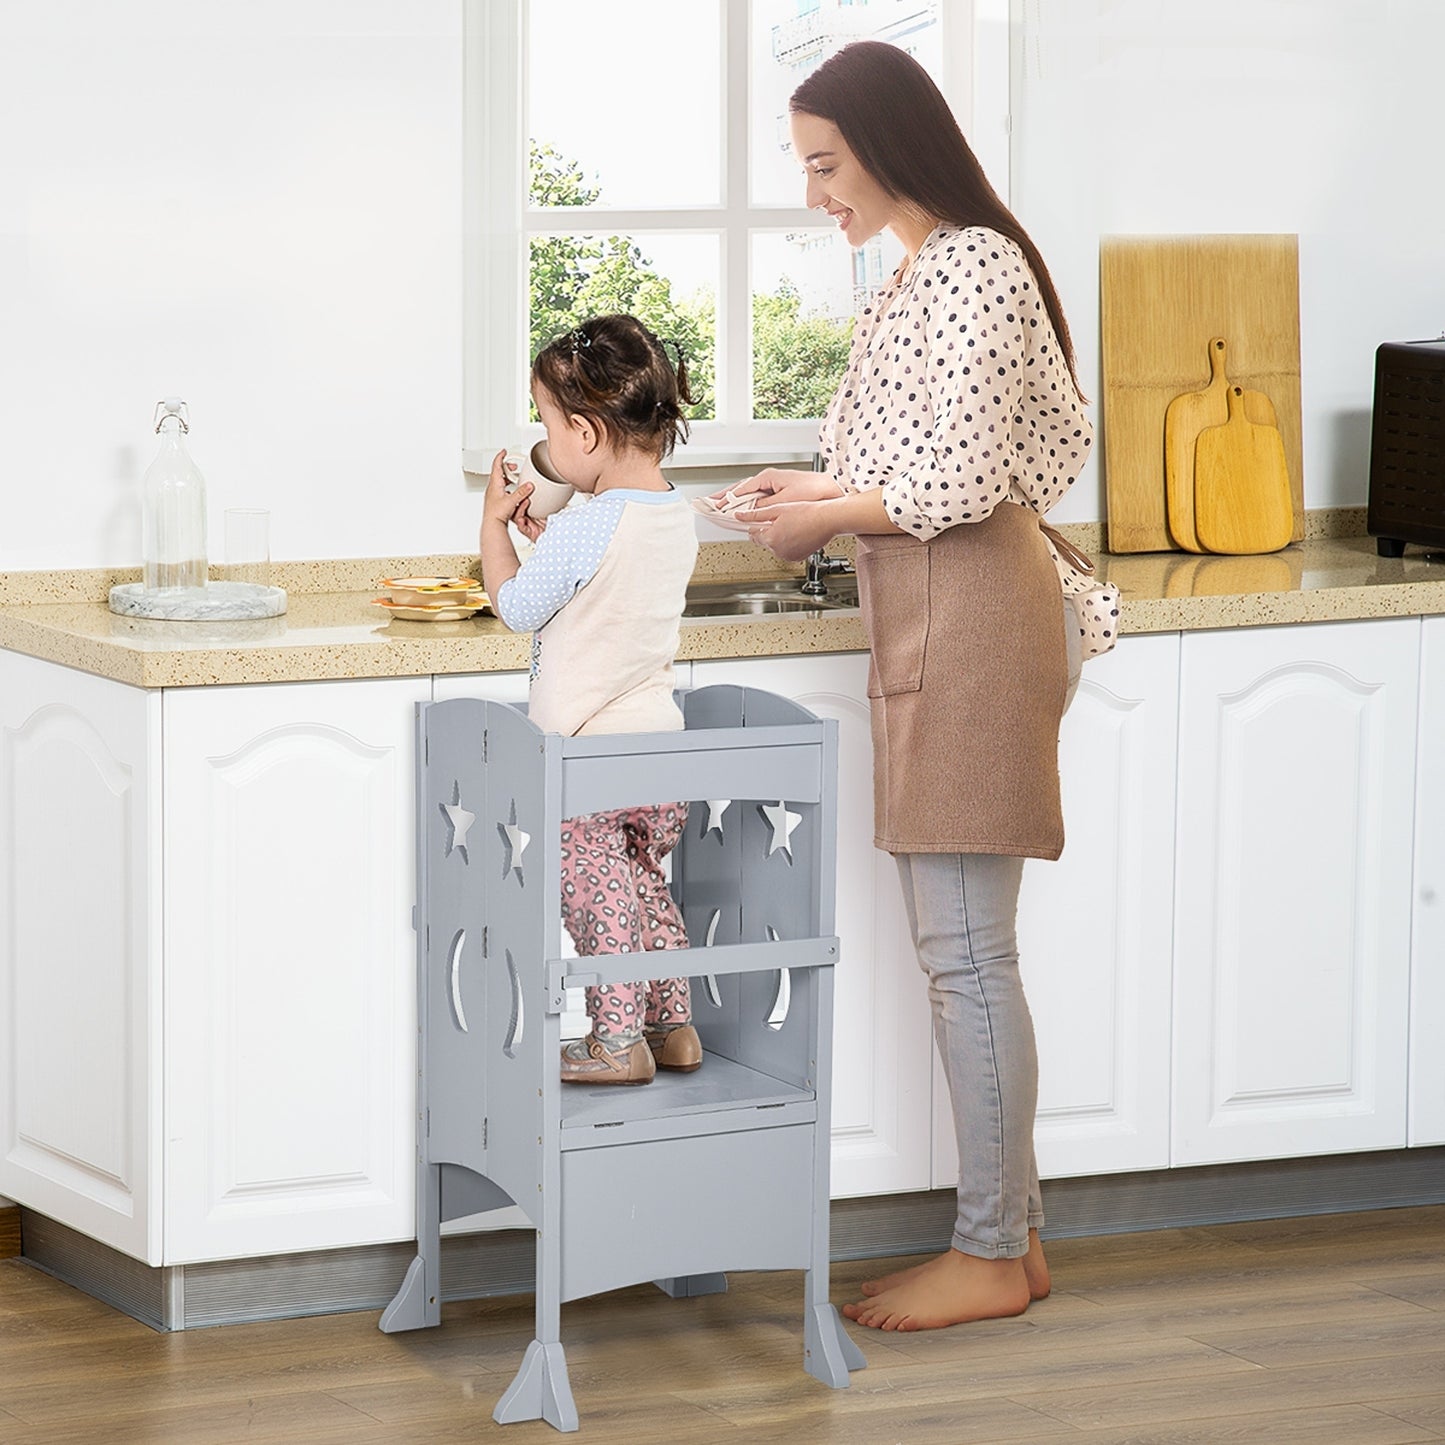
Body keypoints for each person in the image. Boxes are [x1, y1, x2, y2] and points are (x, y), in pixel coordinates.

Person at [720, 41, 1092, 1330]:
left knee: (963, 954)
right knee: (964, 950)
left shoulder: (973, 268)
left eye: (826, 163)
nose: (817, 190)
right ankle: (1018, 1243)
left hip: (976, 615)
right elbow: (917, 465)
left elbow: (958, 482)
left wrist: (821, 521)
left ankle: (990, 1251)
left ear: (890, 141)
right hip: (940, 608)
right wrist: (807, 497)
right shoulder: (923, 272)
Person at [481, 313, 702, 1086]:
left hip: (589, 760)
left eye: (546, 420)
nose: (543, 437)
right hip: (656, 751)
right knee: (643, 888)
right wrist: (553, 543)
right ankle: (670, 1023)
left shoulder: (586, 525)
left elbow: (515, 605)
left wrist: (495, 529)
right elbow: (610, 586)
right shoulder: (674, 511)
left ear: (583, 431)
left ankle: (614, 1041)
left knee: (597, 904)